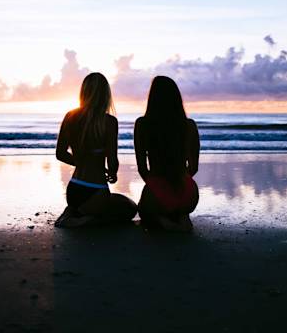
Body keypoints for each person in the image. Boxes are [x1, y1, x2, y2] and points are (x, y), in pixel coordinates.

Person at [54, 72, 137, 228]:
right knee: (130, 209)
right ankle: (85, 221)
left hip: (74, 189)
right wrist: (112, 173)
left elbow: (60, 154)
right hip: (97, 190)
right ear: (105, 95)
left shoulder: (70, 116)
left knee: (112, 202)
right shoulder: (109, 122)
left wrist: (81, 163)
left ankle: (73, 211)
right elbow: (112, 161)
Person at [134, 76, 200, 232]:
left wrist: (157, 187)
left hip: (156, 191)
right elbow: (194, 167)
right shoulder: (189, 125)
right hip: (188, 193)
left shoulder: (143, 124)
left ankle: (164, 221)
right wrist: (178, 180)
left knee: (144, 211)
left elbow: (142, 168)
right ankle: (181, 215)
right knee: (178, 206)